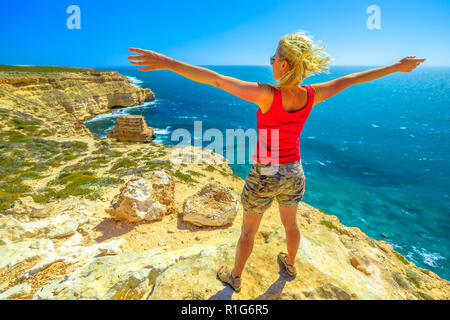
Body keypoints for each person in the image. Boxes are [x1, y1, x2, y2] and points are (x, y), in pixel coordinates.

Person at [128, 31, 426, 293]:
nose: (270, 62)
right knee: (291, 224)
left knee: (248, 232)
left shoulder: (267, 95)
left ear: (284, 64)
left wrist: (169, 63)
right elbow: (351, 79)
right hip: (294, 170)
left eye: (273, 57)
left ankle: (235, 277)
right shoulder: (311, 95)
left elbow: (217, 80)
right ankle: (291, 265)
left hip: (266, 169)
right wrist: (397, 67)